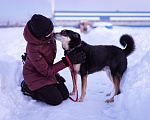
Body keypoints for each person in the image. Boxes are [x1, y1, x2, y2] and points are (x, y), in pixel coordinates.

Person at [21, 14, 85, 106]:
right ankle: (27, 88)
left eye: (52, 29)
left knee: (65, 95)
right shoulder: (33, 47)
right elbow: (45, 71)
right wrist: (67, 61)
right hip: (35, 75)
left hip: (47, 71)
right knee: (56, 99)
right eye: (50, 31)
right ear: (41, 34)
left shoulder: (48, 36)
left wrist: (73, 50)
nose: (53, 32)